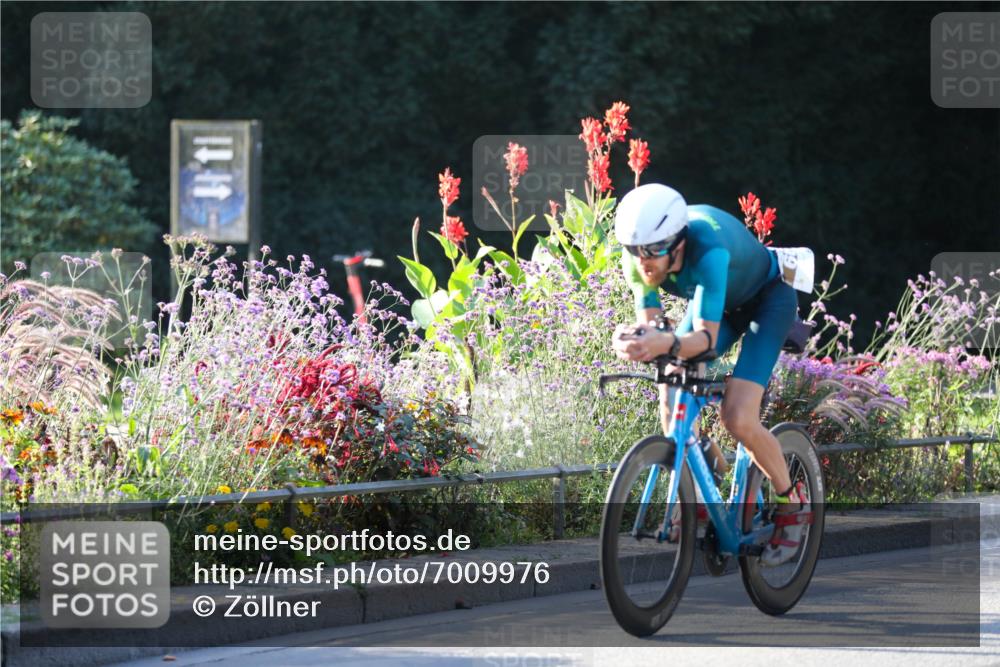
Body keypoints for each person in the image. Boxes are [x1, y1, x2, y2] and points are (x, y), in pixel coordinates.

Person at [610, 183, 808, 566]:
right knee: (671, 391)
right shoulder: (638, 259)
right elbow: (653, 332)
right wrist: (634, 341)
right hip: (720, 303)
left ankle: (793, 503)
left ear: (679, 243)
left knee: (737, 416)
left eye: (653, 251)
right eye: (634, 251)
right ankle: (707, 482)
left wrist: (663, 342)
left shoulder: (708, 250)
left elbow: (705, 340)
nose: (643, 262)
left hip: (767, 301)